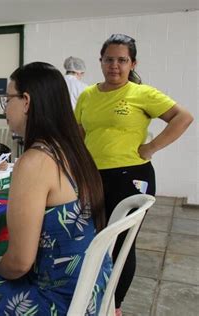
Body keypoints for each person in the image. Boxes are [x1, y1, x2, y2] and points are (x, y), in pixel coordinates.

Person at [0, 62, 111, 315]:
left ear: (26, 101)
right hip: (91, 283)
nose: (5, 108)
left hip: (59, 299)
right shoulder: (72, 150)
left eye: (8, 99)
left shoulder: (36, 161)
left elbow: (19, 263)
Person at [75, 34, 193, 315]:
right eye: (109, 59)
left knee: (121, 241)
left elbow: (183, 117)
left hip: (131, 176)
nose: (114, 65)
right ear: (100, 61)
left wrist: (151, 147)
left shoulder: (142, 94)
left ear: (132, 63)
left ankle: (114, 305)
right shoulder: (87, 95)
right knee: (93, 239)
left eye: (122, 60)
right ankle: (92, 293)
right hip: (92, 176)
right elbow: (79, 133)